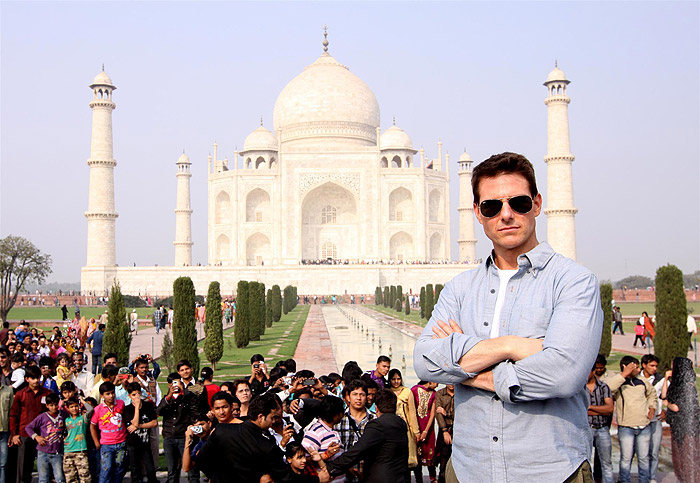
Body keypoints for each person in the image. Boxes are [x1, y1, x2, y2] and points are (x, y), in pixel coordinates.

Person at [413, 152, 603, 481]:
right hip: (469, 470)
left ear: (537, 204)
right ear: (477, 213)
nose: (506, 215)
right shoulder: (460, 288)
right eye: (491, 207)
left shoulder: (573, 281)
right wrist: (512, 346)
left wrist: (465, 371)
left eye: (518, 202)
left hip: (552, 473)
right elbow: (425, 362)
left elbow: (565, 374)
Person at [197, 392, 330, 482]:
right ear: (261, 417)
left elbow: (201, 459)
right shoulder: (266, 447)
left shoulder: (222, 430)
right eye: (271, 417)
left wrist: (217, 479)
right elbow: (287, 478)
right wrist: (317, 479)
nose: (273, 421)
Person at [326, 389, 408, 482]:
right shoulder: (401, 423)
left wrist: (331, 468)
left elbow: (358, 450)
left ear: (376, 408)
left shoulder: (377, 425)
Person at [606, 355, 657, 483]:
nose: (639, 370)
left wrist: (652, 408)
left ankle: (644, 481)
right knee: (626, 458)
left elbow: (652, 394)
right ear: (625, 367)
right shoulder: (619, 381)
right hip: (626, 427)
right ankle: (624, 480)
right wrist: (624, 374)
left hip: (643, 426)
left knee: (643, 458)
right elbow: (608, 389)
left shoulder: (642, 381)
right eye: (635, 367)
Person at [10, 365, 53, 483]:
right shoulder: (20, 394)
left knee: (45, 469)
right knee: (23, 469)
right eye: (32, 378)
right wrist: (14, 434)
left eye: (37, 378)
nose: (35, 381)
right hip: (24, 434)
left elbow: (53, 413)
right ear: (26, 379)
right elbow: (14, 415)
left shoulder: (47, 393)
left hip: (44, 435)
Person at [157, 372, 200, 483]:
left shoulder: (188, 396)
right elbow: (159, 411)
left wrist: (183, 391)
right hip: (169, 436)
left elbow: (194, 409)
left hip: (183, 437)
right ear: (168, 384)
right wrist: (169, 396)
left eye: (177, 382)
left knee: (191, 468)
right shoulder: (166, 398)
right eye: (173, 383)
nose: (175, 385)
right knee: (172, 470)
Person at [662, 357, 700, 483]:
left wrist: (667, 404)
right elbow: (663, 396)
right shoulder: (676, 384)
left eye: (673, 366)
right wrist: (666, 379)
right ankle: (683, 480)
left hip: (686, 431)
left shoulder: (687, 386)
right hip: (677, 427)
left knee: (687, 458)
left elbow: (677, 407)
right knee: (679, 459)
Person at [333, 379, 375, 482]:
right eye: (355, 394)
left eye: (362, 395)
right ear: (348, 397)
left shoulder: (374, 420)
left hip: (369, 474)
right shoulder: (339, 420)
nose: (358, 398)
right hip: (343, 475)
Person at [90, 382, 127, 483]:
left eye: (112, 393)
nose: (111, 396)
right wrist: (96, 442)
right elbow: (92, 426)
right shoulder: (98, 409)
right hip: (106, 444)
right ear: (102, 395)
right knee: (106, 469)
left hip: (121, 442)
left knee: (119, 469)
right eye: (108, 394)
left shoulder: (121, 403)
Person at [26, 392, 66, 483]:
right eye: (51, 405)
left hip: (57, 452)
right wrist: (36, 437)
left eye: (56, 405)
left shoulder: (63, 415)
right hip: (43, 452)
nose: (54, 407)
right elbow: (28, 427)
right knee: (43, 478)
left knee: (59, 478)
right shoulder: (42, 417)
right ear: (47, 405)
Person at [123, 382, 158, 483]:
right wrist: (137, 408)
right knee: (135, 470)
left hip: (145, 442)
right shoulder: (127, 409)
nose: (137, 397)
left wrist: (139, 426)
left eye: (138, 394)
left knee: (150, 468)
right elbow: (134, 422)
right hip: (133, 443)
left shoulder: (148, 406)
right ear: (129, 396)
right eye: (134, 395)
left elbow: (154, 423)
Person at [301, 396, 344, 476]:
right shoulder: (315, 432)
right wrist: (326, 455)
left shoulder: (333, 430)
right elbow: (304, 460)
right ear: (335, 415)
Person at [586, 363, 613, 483]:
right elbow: (580, 410)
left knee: (606, 462)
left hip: (602, 428)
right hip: (586, 428)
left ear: (593, 371)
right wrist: (600, 410)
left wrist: (590, 407)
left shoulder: (603, 387)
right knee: (585, 461)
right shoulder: (579, 388)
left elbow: (609, 409)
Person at [640, 354, 664, 483]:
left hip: (656, 420)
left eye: (656, 366)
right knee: (641, 453)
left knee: (654, 451)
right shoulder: (637, 378)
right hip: (640, 421)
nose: (654, 368)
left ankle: (652, 477)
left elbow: (666, 396)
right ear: (644, 365)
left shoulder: (660, 380)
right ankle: (642, 476)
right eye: (652, 365)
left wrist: (665, 411)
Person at [411, 381, 438, 482]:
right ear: (430, 380)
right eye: (436, 382)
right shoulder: (414, 390)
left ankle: (433, 479)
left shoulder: (434, 394)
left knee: (430, 455)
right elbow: (412, 410)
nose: (437, 385)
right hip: (416, 428)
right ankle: (419, 480)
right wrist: (416, 430)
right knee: (417, 455)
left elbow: (432, 414)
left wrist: (426, 431)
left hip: (428, 429)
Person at [434, 384, 454, 483]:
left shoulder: (460, 393)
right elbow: (438, 413)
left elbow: (460, 412)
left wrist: (445, 412)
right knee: (443, 458)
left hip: (457, 429)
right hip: (444, 429)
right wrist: (445, 431)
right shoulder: (440, 393)